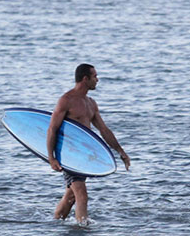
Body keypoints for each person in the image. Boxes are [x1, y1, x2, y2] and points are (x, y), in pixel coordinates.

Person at [47, 64, 130, 225]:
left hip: (84, 156)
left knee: (71, 196)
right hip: (69, 154)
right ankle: (83, 230)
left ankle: (55, 223)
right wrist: (52, 158)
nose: (97, 80)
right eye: (95, 76)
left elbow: (104, 130)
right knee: (82, 195)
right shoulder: (66, 100)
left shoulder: (91, 103)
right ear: (86, 79)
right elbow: (52, 129)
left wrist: (121, 151)